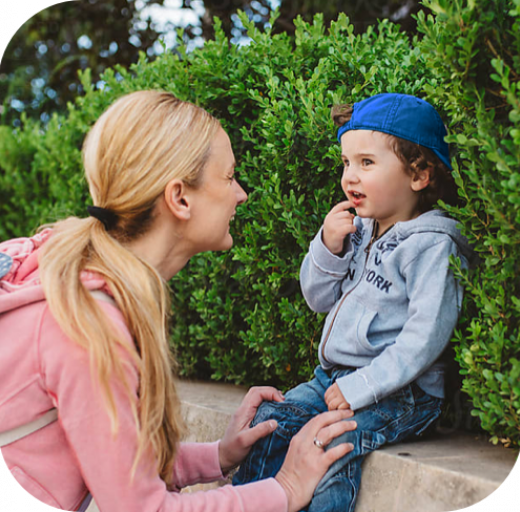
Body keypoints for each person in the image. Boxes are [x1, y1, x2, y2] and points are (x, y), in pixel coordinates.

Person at [0, 90, 358, 512]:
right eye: (228, 178)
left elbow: (113, 461)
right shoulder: (87, 325)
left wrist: (219, 456)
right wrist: (285, 487)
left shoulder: (80, 284)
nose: (241, 194)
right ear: (180, 198)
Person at [233, 93, 474, 511]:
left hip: (403, 392)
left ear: (419, 174)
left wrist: (361, 387)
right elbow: (317, 298)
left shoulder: (433, 245)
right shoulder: (358, 230)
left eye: (367, 163)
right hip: (331, 380)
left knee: (333, 443)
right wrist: (327, 245)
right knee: (268, 424)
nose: (350, 177)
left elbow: (424, 338)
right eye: (347, 163)